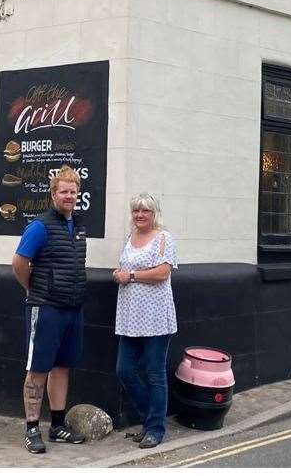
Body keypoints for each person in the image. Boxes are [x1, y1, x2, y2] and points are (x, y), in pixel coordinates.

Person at [11, 165, 88, 454]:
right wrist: (33, 289)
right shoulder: (39, 226)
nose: (69, 196)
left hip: (72, 307)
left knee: (61, 366)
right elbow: (19, 263)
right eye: (64, 191)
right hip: (46, 308)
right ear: (53, 194)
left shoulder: (79, 226)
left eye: (73, 191)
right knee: (38, 369)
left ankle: (57, 426)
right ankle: (32, 429)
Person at [112, 192, 178, 449]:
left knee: (154, 374)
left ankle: (155, 429)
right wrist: (119, 273)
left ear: (154, 214)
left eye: (145, 211)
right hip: (130, 318)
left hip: (156, 318)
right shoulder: (130, 238)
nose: (140, 215)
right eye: (136, 211)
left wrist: (130, 276)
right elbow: (126, 269)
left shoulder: (164, 238)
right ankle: (148, 418)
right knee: (124, 370)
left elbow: (162, 273)